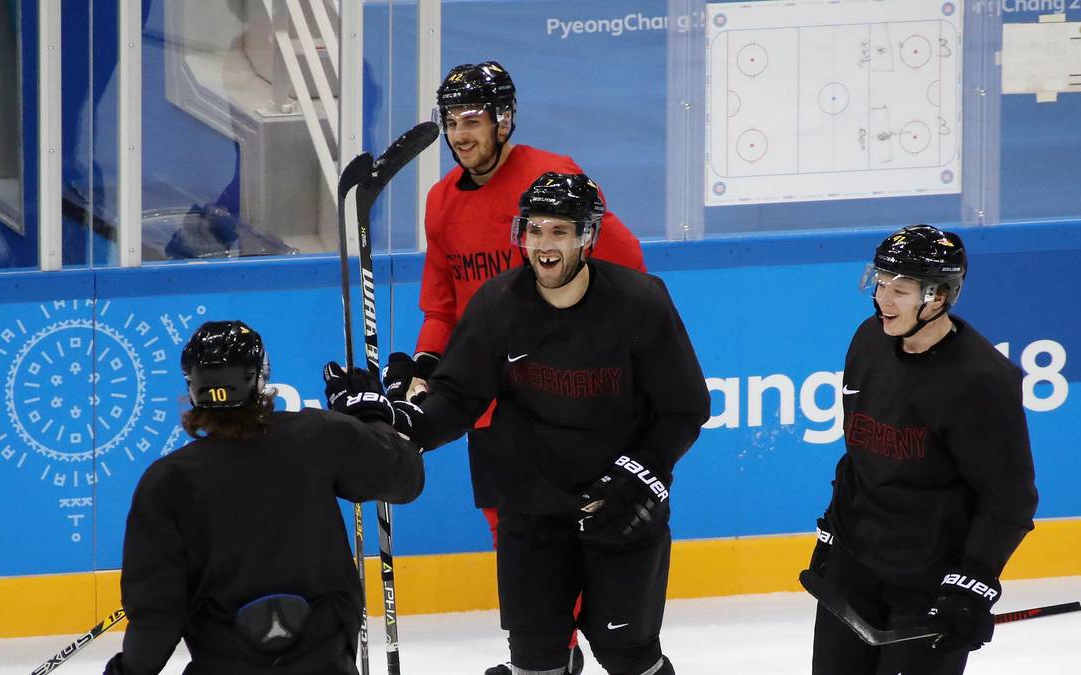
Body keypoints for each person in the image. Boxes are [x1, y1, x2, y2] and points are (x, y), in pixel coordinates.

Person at [379, 172, 709, 675]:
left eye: (559, 231)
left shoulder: (640, 302)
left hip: (620, 504)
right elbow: (459, 397)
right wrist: (406, 424)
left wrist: (644, 471)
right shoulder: (497, 304)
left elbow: (684, 408)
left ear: (587, 236)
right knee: (534, 659)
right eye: (534, 229)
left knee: (627, 654)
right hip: (531, 509)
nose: (543, 244)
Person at [400, 60, 647, 675]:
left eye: (472, 120)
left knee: (579, 530)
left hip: (560, 394)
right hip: (491, 401)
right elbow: (442, 306)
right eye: (451, 121)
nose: (460, 134)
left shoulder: (552, 178)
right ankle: (551, 653)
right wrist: (426, 366)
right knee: (510, 532)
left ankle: (588, 646)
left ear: (504, 120)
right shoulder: (440, 202)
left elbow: (628, 265)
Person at [103, 320, 423, 675]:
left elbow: (156, 619)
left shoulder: (166, 482)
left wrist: (125, 671)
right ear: (260, 378)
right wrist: (369, 416)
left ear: (192, 388)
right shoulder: (319, 436)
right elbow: (405, 477)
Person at [807, 225, 1039, 675]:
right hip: (854, 566)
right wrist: (833, 528)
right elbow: (859, 453)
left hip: (928, 584)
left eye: (900, 290)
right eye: (880, 283)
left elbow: (1009, 500)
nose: (883, 300)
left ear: (938, 297)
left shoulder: (981, 381)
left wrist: (971, 584)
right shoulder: (868, 341)